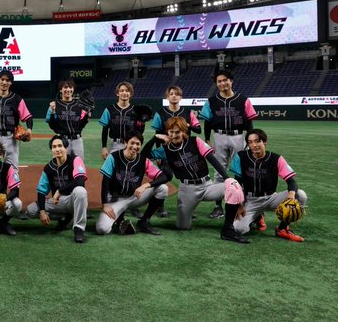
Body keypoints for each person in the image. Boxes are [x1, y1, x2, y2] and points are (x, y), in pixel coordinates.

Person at [141, 117, 249, 243]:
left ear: (184, 131)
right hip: (187, 190)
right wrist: (155, 138)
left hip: (207, 186)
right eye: (171, 132)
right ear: (167, 132)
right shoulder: (165, 150)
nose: (174, 135)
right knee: (182, 226)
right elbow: (143, 156)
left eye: (177, 132)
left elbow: (213, 160)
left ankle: (228, 230)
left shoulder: (195, 141)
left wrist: (227, 179)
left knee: (234, 186)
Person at [199, 69, 257, 219]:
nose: (222, 83)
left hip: (238, 136)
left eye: (225, 80)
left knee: (241, 171)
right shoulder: (211, 101)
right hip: (218, 136)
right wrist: (207, 139)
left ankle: (240, 204)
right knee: (219, 171)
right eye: (219, 81)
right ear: (216, 84)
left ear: (231, 81)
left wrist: (250, 140)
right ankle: (218, 207)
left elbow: (249, 122)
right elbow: (207, 121)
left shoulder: (243, 99)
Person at [231, 129, 308, 242]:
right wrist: (239, 204)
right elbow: (237, 183)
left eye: (257, 141)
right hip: (251, 200)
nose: (254, 145)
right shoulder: (240, 157)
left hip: (271, 198)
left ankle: (282, 229)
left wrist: (291, 196)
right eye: (250, 142)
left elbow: (291, 181)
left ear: (265, 142)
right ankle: (257, 217)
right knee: (238, 229)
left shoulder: (276, 158)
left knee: (300, 195)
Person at [95, 130, 169, 236]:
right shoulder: (113, 157)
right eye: (132, 143)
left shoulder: (143, 160)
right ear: (126, 143)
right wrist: (105, 204)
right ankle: (119, 222)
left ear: (141, 145)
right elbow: (105, 181)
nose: (135, 146)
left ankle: (144, 221)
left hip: (134, 197)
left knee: (163, 188)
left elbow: (163, 177)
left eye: (138, 144)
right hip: (116, 199)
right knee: (102, 229)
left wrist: (146, 185)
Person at [149, 85, 201, 218]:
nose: (174, 96)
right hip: (166, 151)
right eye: (171, 93)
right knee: (165, 176)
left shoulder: (188, 113)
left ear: (180, 97)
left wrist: (187, 125)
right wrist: (158, 154)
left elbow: (198, 130)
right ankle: (160, 206)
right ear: (167, 97)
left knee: (187, 179)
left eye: (176, 94)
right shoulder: (161, 113)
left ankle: (187, 208)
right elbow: (157, 134)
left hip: (184, 151)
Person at [26, 135, 88, 243]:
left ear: (66, 148)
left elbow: (80, 181)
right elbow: (41, 191)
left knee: (80, 191)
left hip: (73, 200)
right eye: (54, 147)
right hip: (58, 203)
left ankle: (79, 229)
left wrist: (59, 191)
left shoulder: (75, 160)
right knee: (31, 210)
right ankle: (65, 217)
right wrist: (42, 211)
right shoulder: (48, 167)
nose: (57, 149)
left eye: (60, 146)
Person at [99, 81, 145, 160]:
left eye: (127, 91)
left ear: (130, 94)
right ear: (117, 93)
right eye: (122, 90)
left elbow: (139, 132)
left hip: (131, 144)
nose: (124, 93)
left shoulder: (136, 111)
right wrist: (104, 147)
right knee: (114, 166)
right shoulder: (109, 110)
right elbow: (105, 129)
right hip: (115, 144)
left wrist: (142, 124)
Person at [46, 78, 90, 161]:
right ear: (61, 90)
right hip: (62, 140)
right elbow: (52, 125)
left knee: (79, 165)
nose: (68, 90)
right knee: (62, 164)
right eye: (65, 87)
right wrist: (52, 112)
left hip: (77, 140)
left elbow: (81, 125)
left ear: (73, 89)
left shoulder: (79, 105)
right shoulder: (55, 105)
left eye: (70, 87)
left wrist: (87, 114)